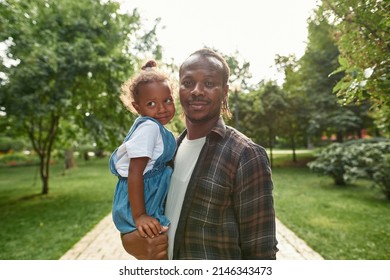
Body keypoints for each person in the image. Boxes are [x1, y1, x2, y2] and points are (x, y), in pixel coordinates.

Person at [121, 48, 278, 259]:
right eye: (188, 83)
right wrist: (129, 241)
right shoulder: (166, 153)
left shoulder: (245, 156)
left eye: (209, 83)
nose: (197, 90)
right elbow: (137, 210)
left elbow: (261, 254)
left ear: (225, 91)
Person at [109, 60, 176, 239]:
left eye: (168, 100)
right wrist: (140, 215)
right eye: (151, 104)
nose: (162, 108)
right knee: (156, 240)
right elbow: (135, 171)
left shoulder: (153, 127)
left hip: (148, 191)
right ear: (137, 107)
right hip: (142, 196)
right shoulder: (149, 128)